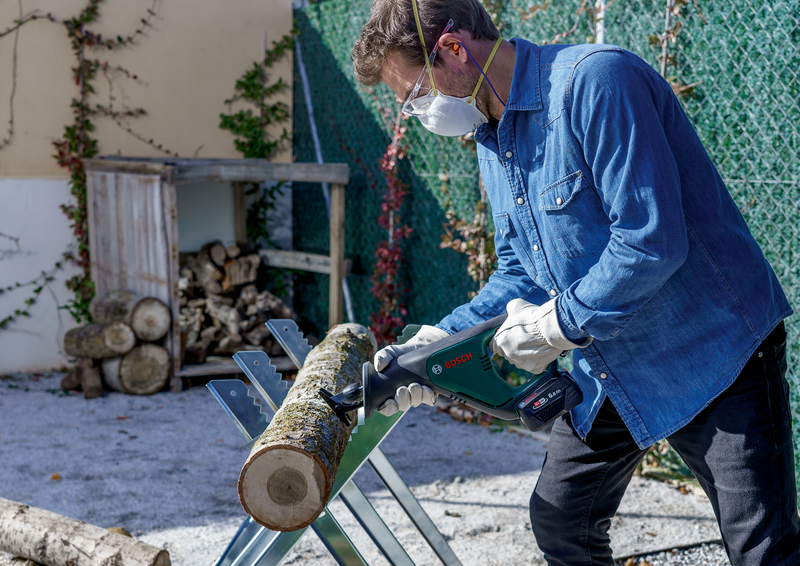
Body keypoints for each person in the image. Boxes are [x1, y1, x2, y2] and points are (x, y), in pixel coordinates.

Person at [351, 0, 799, 565]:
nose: (416, 113)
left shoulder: (596, 81)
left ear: (454, 49)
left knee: (761, 549)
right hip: (613, 364)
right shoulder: (492, 134)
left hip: (711, 351)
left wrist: (557, 325)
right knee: (563, 522)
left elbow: (650, 240)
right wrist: (435, 345)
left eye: (416, 94)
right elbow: (520, 271)